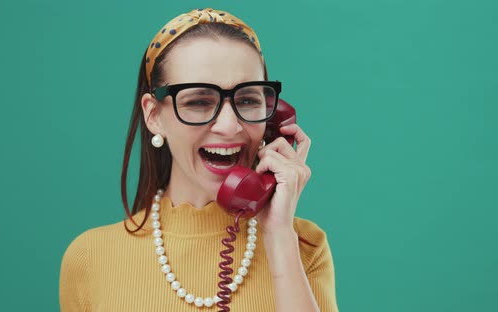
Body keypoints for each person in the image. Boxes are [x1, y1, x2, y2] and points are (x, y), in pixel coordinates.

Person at [59, 8, 338, 312]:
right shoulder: (89, 257)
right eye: (199, 101)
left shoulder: (304, 246)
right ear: (154, 116)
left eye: (247, 99)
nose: (230, 126)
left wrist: (279, 236)